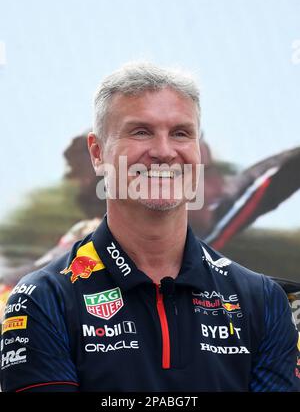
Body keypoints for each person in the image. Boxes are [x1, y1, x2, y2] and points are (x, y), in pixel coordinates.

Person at [0, 62, 299, 392]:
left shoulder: (263, 300)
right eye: (140, 131)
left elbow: (270, 178)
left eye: (181, 133)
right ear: (97, 153)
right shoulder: (45, 296)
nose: (163, 151)